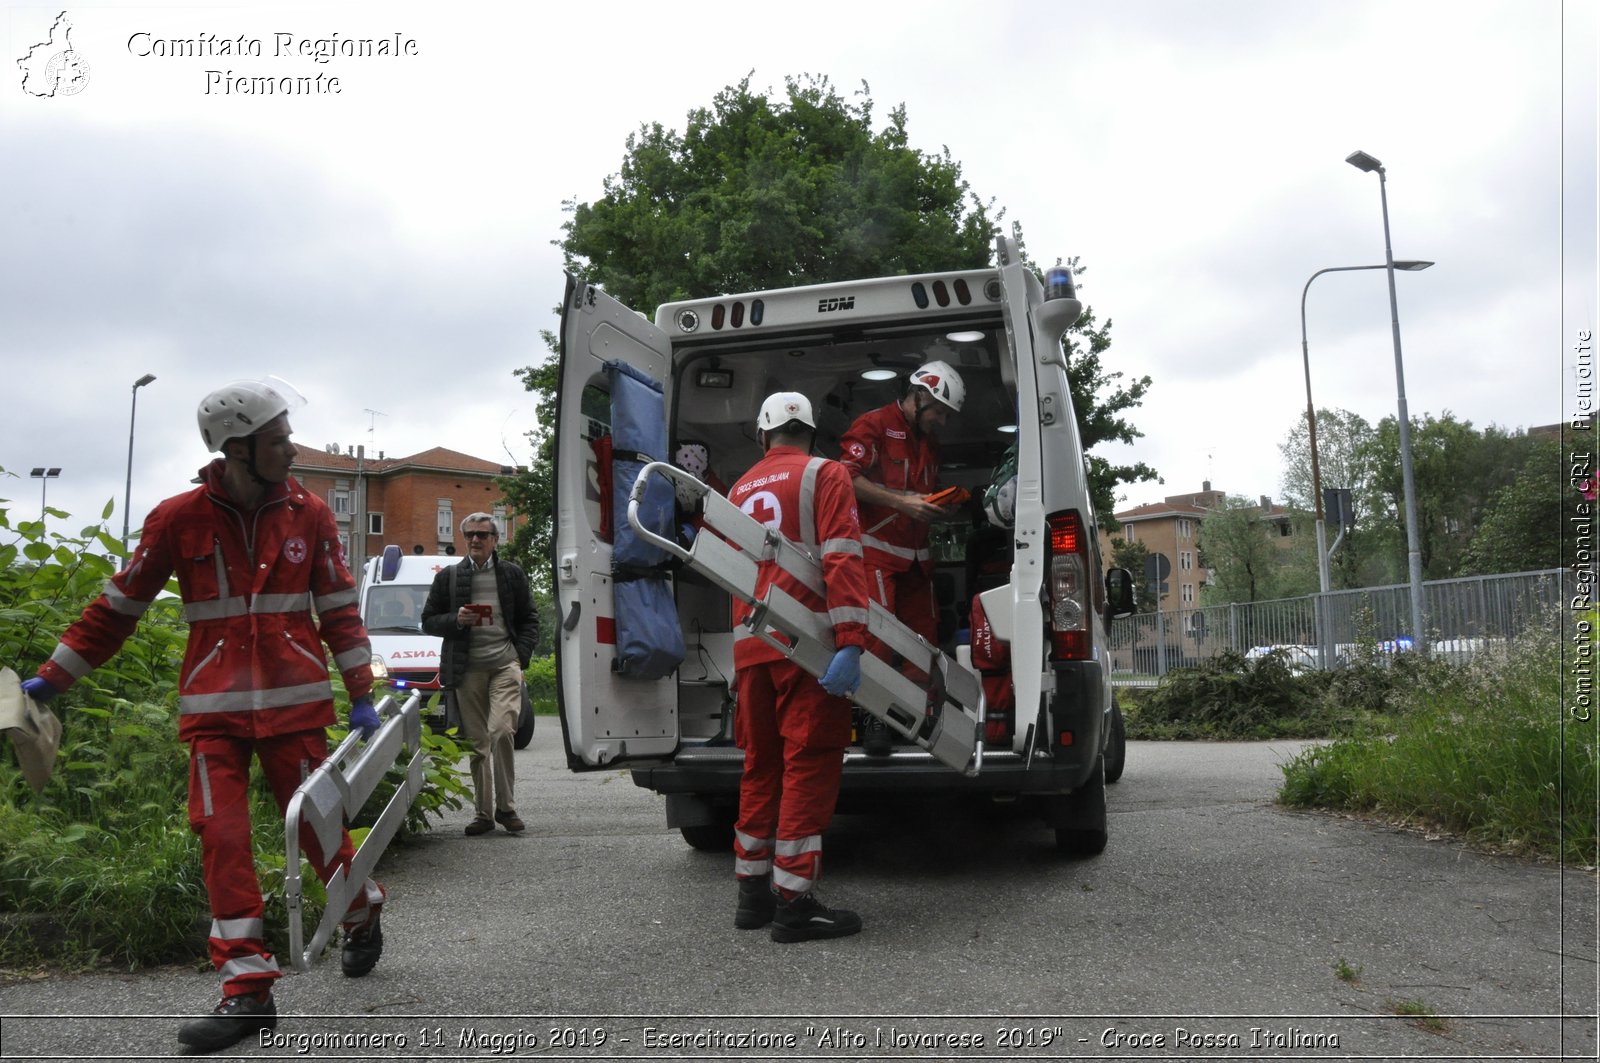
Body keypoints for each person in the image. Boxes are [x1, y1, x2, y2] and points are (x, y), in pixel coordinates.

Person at [18, 377, 387, 1053]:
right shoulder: (176, 518)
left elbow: (337, 604)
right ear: (237, 449)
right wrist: (48, 678)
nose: (291, 448)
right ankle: (247, 988)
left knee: (315, 833)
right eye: (278, 439)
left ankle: (361, 911)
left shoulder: (309, 514)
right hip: (213, 712)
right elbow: (116, 610)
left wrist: (360, 688)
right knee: (221, 837)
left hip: (296, 705)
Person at [728, 392, 869, 943]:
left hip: (750, 644)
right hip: (805, 645)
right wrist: (852, 639)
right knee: (808, 763)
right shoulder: (825, 473)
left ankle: (752, 893)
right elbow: (841, 554)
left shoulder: (738, 489)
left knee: (760, 767)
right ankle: (795, 904)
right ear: (811, 433)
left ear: (763, 437)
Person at [838, 360, 965, 750]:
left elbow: (921, 493)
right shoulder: (873, 425)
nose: (941, 421)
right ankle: (875, 716)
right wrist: (902, 503)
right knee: (878, 638)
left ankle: (915, 714)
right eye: (939, 412)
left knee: (923, 639)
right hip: (876, 553)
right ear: (919, 395)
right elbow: (846, 478)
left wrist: (941, 506)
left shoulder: (930, 443)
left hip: (916, 559)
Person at [421, 513, 538, 836]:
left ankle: (507, 808)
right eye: (470, 534)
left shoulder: (511, 574)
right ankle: (484, 814)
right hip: (467, 668)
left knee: (501, 731)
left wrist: (520, 655)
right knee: (477, 743)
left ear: (495, 540)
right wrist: (456, 619)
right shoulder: (449, 577)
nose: (475, 540)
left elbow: (530, 618)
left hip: (504, 664)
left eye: (482, 535)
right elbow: (428, 621)